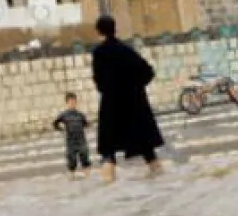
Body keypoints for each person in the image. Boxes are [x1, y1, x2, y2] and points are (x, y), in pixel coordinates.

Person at [91, 16, 165, 183]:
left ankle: (108, 185)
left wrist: (110, 90)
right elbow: (148, 72)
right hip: (134, 105)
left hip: (111, 106)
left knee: (108, 149)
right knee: (146, 147)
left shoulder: (99, 53)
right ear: (115, 29)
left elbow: (99, 81)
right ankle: (158, 175)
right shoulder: (126, 50)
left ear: (98, 31)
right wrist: (135, 88)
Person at [52, 92, 92, 179]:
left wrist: (88, 125)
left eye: (74, 101)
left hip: (81, 140)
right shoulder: (63, 115)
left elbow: (86, 123)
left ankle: (88, 178)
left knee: (85, 158)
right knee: (72, 161)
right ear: (67, 103)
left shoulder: (80, 114)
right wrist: (61, 130)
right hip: (71, 141)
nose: (73, 103)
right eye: (70, 102)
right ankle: (72, 178)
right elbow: (55, 123)